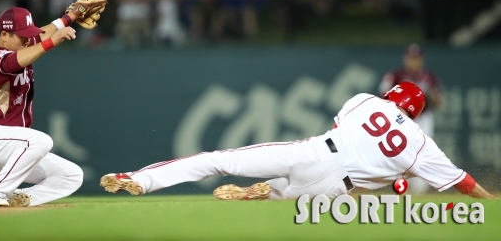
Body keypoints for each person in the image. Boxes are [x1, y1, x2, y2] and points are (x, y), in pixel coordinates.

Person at [100, 81, 494, 200]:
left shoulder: (366, 101)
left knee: (217, 160)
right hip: (333, 190)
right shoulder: (421, 143)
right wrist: (490, 204)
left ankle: (140, 179)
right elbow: (461, 180)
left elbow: (351, 126)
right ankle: (262, 193)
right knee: (280, 200)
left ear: (393, 96)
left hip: (314, 153)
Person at [0, 0, 104, 207]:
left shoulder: (19, 43)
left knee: (71, 175)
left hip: (14, 148)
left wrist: (71, 17)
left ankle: (19, 198)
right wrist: (52, 42)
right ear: (4, 34)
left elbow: (42, 33)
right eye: (22, 36)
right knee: (41, 141)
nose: (26, 40)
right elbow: (15, 61)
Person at [379, 43, 442, 194]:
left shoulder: (428, 76)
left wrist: (432, 96)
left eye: (417, 58)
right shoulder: (396, 76)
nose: (414, 61)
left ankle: (419, 190)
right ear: (406, 59)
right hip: (402, 118)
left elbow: (439, 100)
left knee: (423, 152)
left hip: (423, 117)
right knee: (402, 152)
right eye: (411, 58)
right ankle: (402, 188)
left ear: (421, 59)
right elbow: (383, 94)